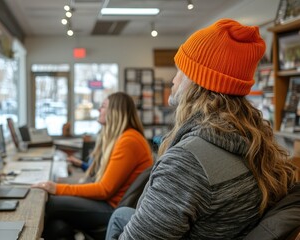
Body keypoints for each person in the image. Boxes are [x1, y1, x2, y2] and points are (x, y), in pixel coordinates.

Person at [106, 18, 298, 239]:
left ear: (199, 81)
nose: (173, 80)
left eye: (181, 70)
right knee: (121, 214)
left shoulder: (186, 162)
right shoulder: (254, 142)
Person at [32, 92, 154, 239]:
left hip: (113, 209)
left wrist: (56, 188)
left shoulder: (129, 140)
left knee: (51, 204)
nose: (98, 110)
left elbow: (104, 190)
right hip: (108, 204)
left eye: (103, 107)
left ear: (115, 112)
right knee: (57, 226)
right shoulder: (123, 137)